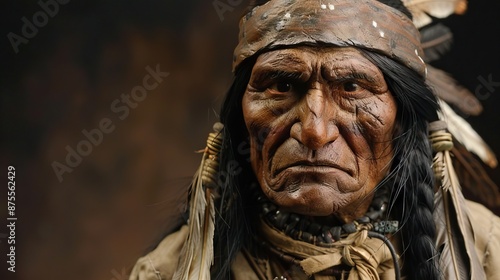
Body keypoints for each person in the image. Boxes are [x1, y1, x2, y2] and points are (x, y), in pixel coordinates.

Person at [129, 0, 500, 279]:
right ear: (239, 121)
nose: (314, 131)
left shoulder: (484, 253)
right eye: (282, 85)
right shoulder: (171, 270)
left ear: (402, 119)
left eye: (352, 87)